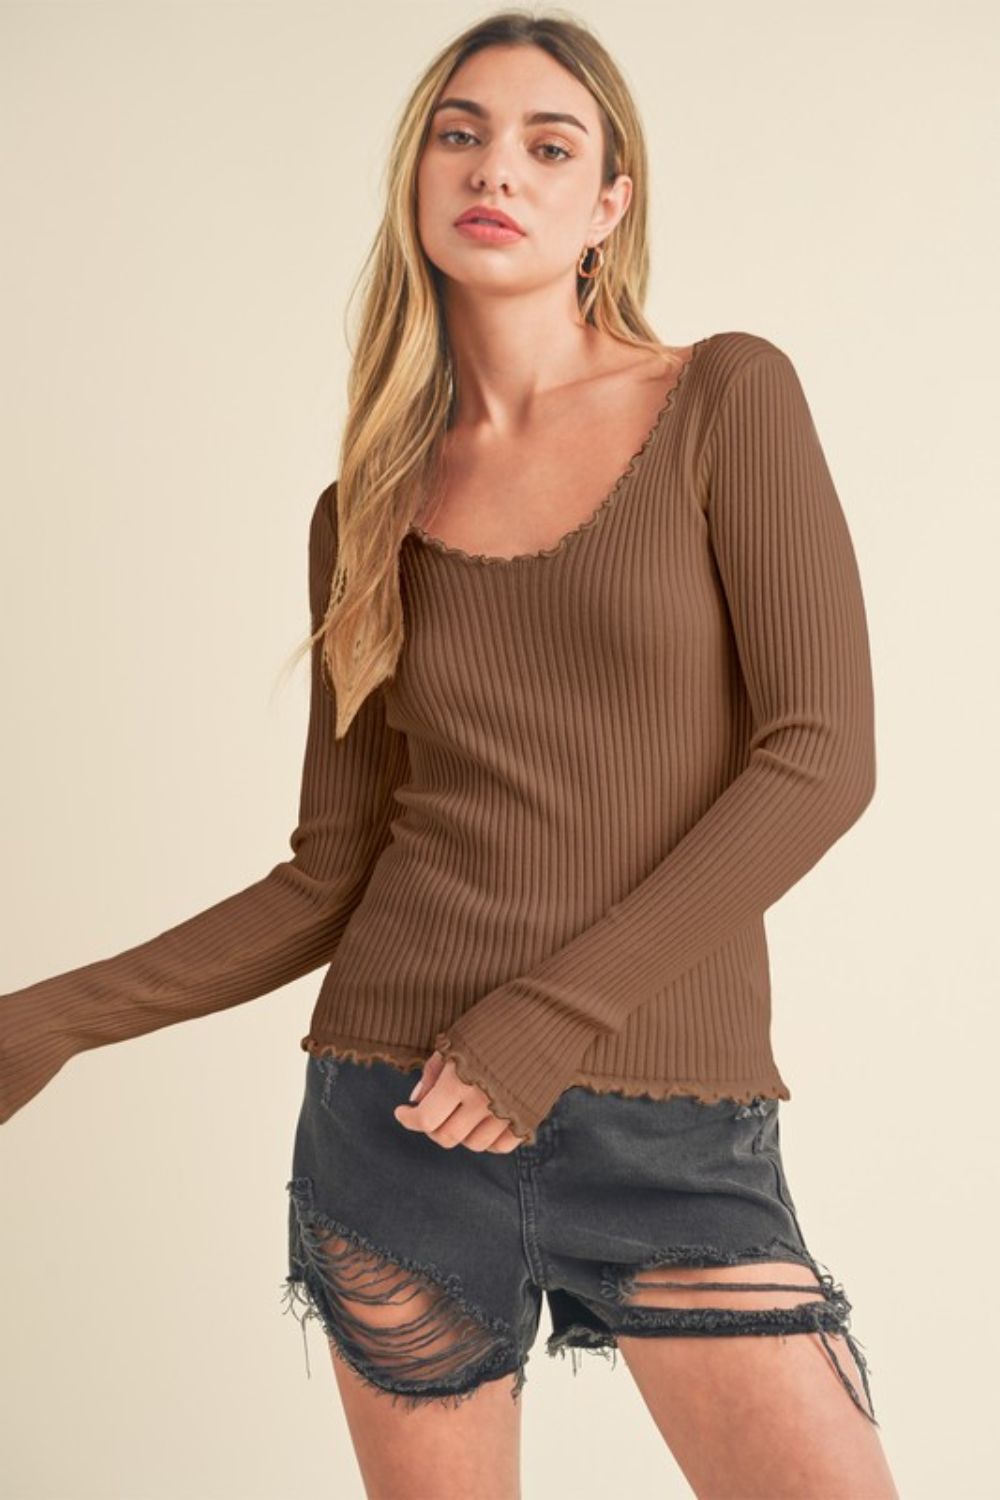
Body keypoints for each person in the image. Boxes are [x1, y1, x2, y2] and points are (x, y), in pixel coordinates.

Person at [2, 10, 900, 1498]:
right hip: (397, 1114)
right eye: (461, 134)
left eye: (551, 146)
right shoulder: (362, 510)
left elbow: (821, 757)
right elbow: (329, 874)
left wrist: (550, 1018)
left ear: (608, 205)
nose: (498, 171)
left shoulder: (726, 398)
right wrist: (49, 1019)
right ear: (417, 176)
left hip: (666, 1121)